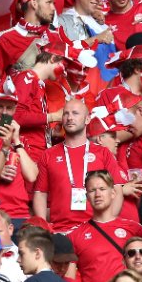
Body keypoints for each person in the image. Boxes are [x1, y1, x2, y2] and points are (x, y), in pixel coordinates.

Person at [33, 98, 125, 232]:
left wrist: (106, 223)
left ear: (87, 119)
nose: (70, 118)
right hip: (60, 230)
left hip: (95, 228)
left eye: (75, 113)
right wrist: (44, 230)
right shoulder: (48, 155)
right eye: (66, 114)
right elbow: (40, 194)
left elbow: (117, 190)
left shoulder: (103, 153)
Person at [69, 171, 142, 282]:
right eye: (92, 190)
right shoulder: (75, 235)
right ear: (87, 197)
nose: (97, 194)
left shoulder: (134, 229)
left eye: (102, 189)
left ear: (113, 193)